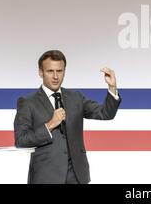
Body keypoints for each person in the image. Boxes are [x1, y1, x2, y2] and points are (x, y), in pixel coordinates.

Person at [13, 50, 121, 184]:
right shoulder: (28, 102)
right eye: (50, 71)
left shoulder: (76, 97)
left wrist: (112, 88)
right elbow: (21, 140)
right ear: (40, 72)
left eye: (59, 71)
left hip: (77, 176)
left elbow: (106, 113)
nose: (55, 76)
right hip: (45, 177)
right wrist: (50, 125)